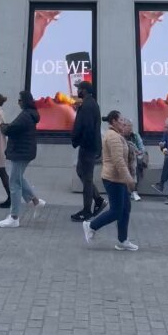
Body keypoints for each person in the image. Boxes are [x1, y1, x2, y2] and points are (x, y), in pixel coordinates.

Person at [82, 112, 138, 251]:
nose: (123, 123)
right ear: (113, 121)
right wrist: (129, 180)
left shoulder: (116, 135)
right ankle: (91, 225)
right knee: (117, 211)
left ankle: (122, 240)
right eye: (120, 120)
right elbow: (118, 160)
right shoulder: (113, 136)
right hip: (114, 179)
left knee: (125, 209)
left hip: (118, 178)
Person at [0, 90, 46, 228]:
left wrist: (1, 125)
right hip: (23, 152)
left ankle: (14, 217)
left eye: (19, 100)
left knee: (14, 183)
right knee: (18, 178)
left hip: (21, 152)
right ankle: (36, 202)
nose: (18, 102)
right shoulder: (29, 114)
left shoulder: (25, 115)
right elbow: (14, 128)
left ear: (24, 101)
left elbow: (11, 129)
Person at [70, 81, 105, 221]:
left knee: (87, 177)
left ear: (84, 90)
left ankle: (87, 210)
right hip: (88, 146)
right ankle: (98, 200)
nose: (77, 91)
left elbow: (87, 127)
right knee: (81, 172)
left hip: (88, 147)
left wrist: (80, 141)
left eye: (79, 89)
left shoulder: (88, 105)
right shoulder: (89, 104)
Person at [121, 118, 146, 201]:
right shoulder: (119, 136)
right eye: (129, 127)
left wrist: (139, 152)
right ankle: (129, 191)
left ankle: (134, 191)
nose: (130, 129)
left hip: (135, 158)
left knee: (136, 165)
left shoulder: (135, 135)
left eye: (131, 127)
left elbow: (142, 148)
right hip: (123, 158)